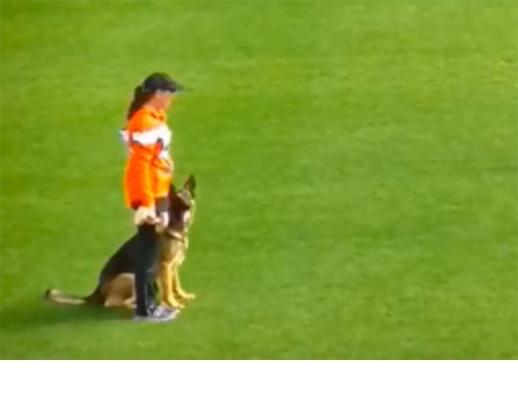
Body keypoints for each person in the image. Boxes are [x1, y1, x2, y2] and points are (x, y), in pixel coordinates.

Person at [119, 72, 183, 322]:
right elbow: (140, 165)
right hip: (149, 194)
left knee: (152, 249)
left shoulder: (153, 116)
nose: (172, 99)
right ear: (158, 95)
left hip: (158, 190)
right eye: (170, 94)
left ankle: (150, 303)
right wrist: (146, 204)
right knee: (147, 253)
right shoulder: (145, 121)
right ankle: (144, 309)